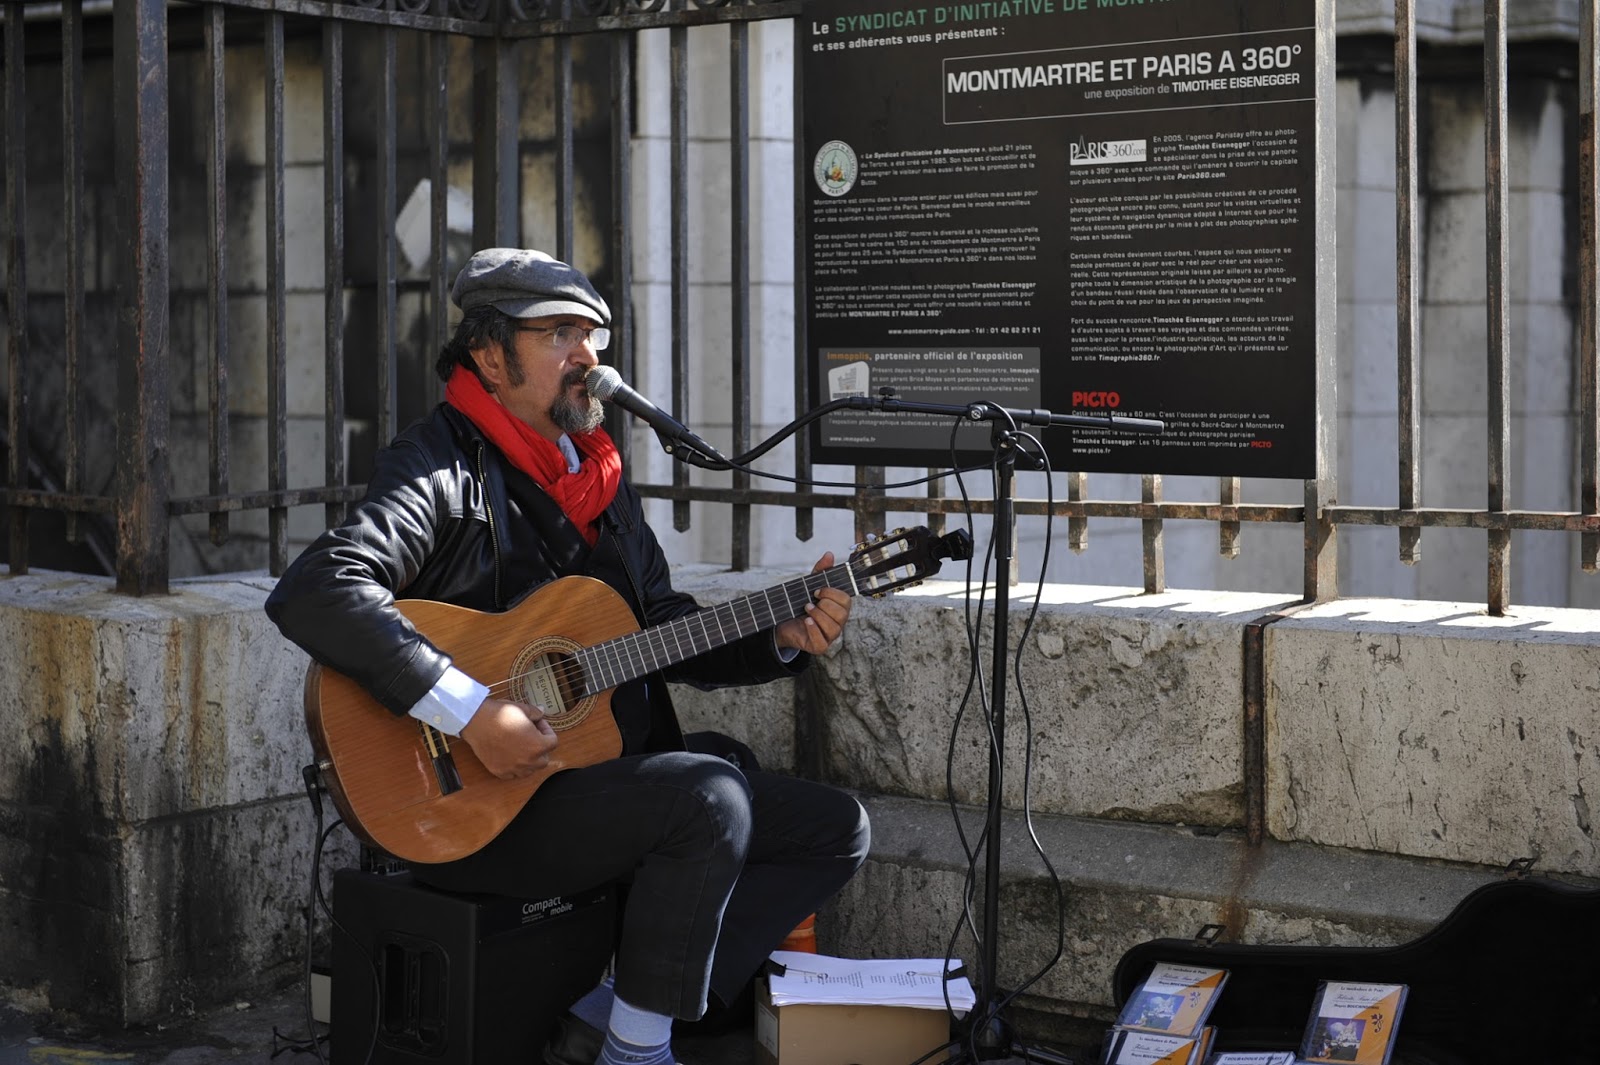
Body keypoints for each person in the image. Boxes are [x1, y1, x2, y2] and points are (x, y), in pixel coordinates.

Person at [265, 248, 871, 1065]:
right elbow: (318, 586)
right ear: (489, 353)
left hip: (575, 779)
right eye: (561, 334)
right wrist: (472, 709)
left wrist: (778, 637)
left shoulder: (603, 480)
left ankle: (622, 1006)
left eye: (594, 335)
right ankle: (637, 1052)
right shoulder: (439, 466)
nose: (589, 357)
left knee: (834, 827)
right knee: (709, 794)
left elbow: (660, 626)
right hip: (479, 801)